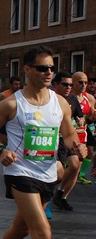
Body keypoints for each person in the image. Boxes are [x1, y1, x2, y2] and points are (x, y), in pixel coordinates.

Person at [0, 46, 87, 239]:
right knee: (42, 233)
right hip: (20, 173)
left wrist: (77, 148)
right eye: (42, 68)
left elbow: (68, 134)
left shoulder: (60, 103)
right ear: (27, 70)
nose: (49, 72)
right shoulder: (10, 104)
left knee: (21, 227)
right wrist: (0, 151)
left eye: (51, 68)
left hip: (48, 175)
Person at [50, 71, 82, 212]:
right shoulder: (49, 99)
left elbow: (79, 117)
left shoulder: (73, 99)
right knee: (59, 173)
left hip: (68, 138)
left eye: (70, 85)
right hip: (53, 140)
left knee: (75, 165)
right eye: (65, 84)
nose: (69, 87)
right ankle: (46, 196)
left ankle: (61, 194)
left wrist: (81, 120)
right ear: (55, 85)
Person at [70, 71, 96, 185]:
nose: (84, 85)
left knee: (86, 154)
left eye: (85, 82)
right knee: (71, 162)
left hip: (82, 132)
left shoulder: (89, 98)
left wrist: (93, 116)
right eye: (80, 82)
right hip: (68, 134)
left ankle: (80, 175)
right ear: (73, 83)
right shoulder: (67, 97)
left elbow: (91, 116)